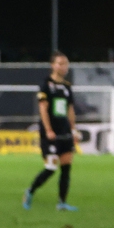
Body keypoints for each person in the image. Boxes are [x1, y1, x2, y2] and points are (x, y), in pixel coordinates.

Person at [23, 51, 79, 211]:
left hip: (65, 132)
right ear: (53, 65)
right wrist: (48, 130)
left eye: (66, 63)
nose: (64, 67)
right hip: (51, 133)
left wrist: (74, 130)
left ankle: (62, 203)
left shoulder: (67, 87)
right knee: (51, 167)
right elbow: (43, 108)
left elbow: (70, 110)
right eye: (60, 63)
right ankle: (30, 191)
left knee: (66, 167)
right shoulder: (46, 84)